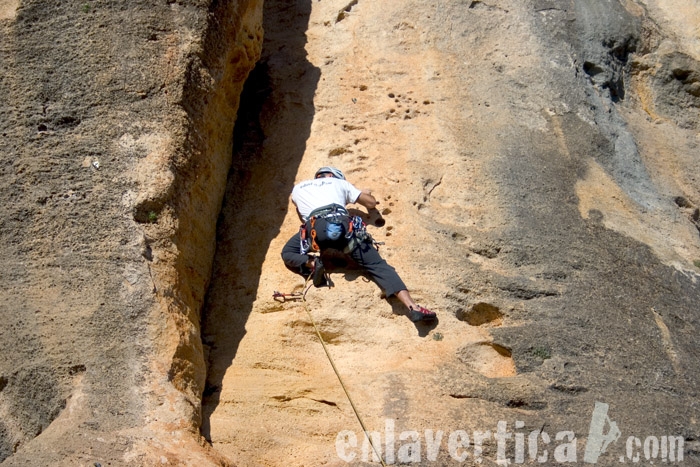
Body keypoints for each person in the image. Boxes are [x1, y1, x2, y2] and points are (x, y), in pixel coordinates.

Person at [281, 166, 436, 322]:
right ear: (333, 176)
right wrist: (364, 193)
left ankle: (313, 263)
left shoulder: (298, 188)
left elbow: (300, 208)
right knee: (378, 266)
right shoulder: (339, 183)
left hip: (315, 229)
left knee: (288, 252)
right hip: (343, 226)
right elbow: (370, 203)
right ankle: (413, 308)